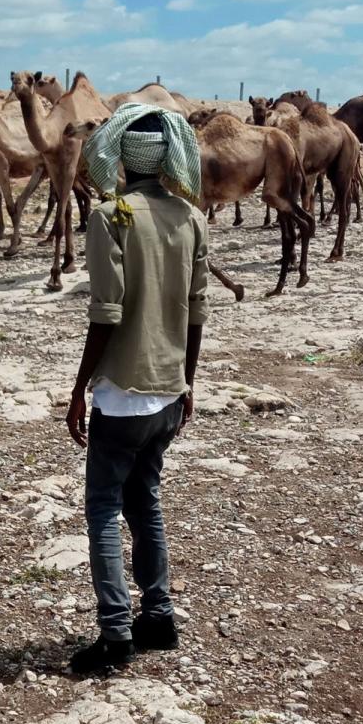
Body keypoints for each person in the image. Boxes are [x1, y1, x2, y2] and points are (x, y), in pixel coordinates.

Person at [65, 105, 209, 677]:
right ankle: (160, 616)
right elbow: (198, 309)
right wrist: (188, 381)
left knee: (103, 506)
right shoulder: (191, 217)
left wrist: (79, 388)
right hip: (170, 389)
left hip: (123, 392)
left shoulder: (112, 215)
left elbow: (106, 312)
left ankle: (117, 632)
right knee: (145, 501)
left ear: (122, 156)